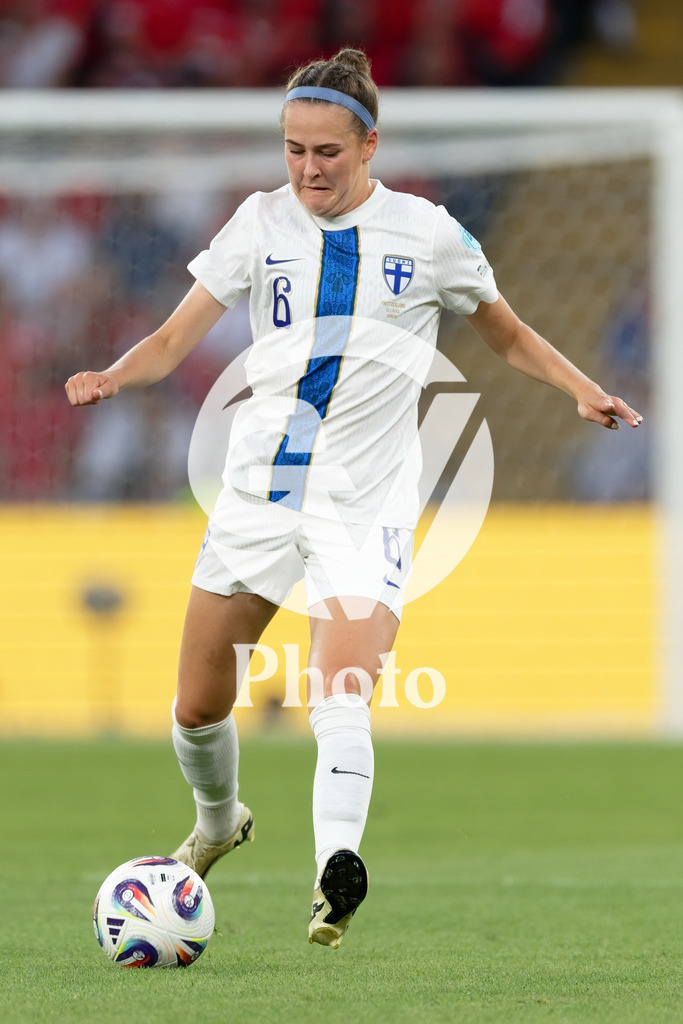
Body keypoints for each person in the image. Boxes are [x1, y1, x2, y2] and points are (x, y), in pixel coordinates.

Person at [65, 48, 642, 950]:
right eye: (294, 150)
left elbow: (506, 333)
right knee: (196, 706)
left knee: (340, 688)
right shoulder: (258, 222)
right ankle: (217, 824)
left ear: (369, 145)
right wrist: (112, 374)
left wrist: (577, 386)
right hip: (258, 497)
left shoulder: (429, 234)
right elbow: (173, 340)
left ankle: (336, 868)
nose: (308, 170)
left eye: (327, 152)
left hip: (364, 507)